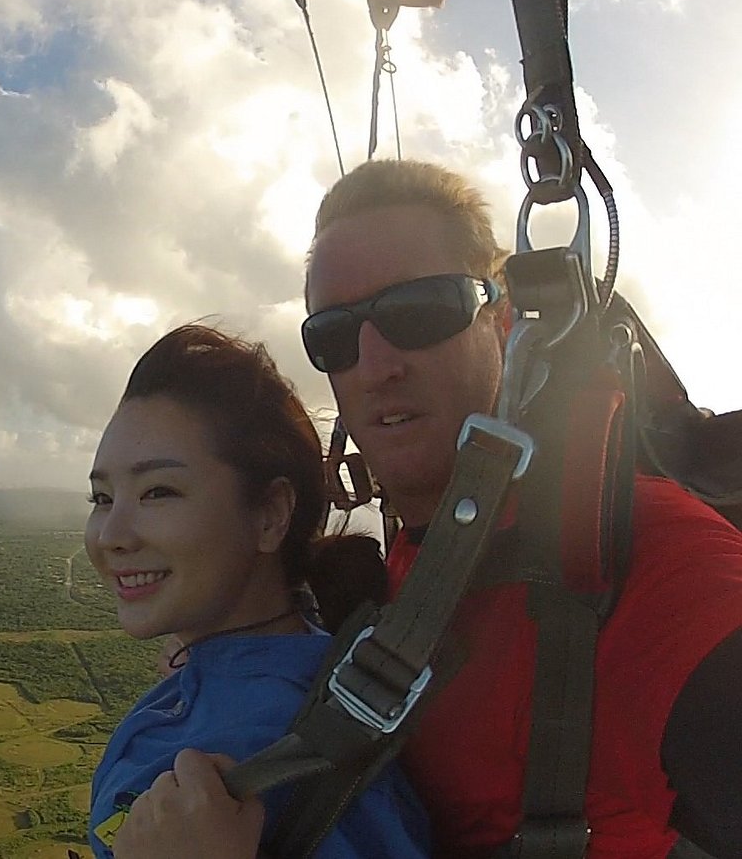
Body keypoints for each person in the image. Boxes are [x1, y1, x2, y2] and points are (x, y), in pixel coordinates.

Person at [111, 161, 742, 858]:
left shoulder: (649, 565)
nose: (376, 364)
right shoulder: (409, 570)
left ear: (502, 321)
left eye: (420, 313)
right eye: (335, 336)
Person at [84, 323, 429, 858]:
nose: (111, 536)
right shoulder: (267, 684)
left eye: (158, 491)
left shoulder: (278, 744)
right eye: (102, 497)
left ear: (270, 515)